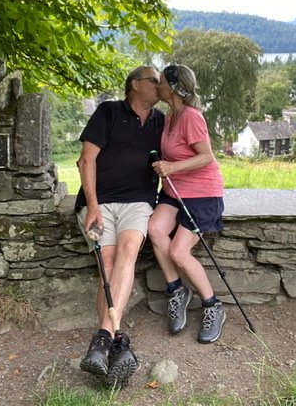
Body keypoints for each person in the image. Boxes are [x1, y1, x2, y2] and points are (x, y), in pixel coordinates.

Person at [75, 65, 164, 387]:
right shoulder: (108, 112)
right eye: (154, 81)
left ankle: (103, 338)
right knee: (106, 265)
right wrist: (93, 207)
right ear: (135, 85)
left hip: (139, 202)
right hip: (98, 204)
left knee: (126, 253)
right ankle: (115, 341)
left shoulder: (160, 121)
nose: (160, 86)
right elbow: (86, 159)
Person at [148, 63, 226, 344]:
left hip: (202, 195)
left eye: (161, 81)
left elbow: (207, 157)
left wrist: (170, 168)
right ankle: (177, 291)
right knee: (155, 229)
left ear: (173, 86)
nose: (157, 85)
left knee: (180, 253)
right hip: (174, 191)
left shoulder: (191, 117)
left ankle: (212, 305)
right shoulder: (170, 116)